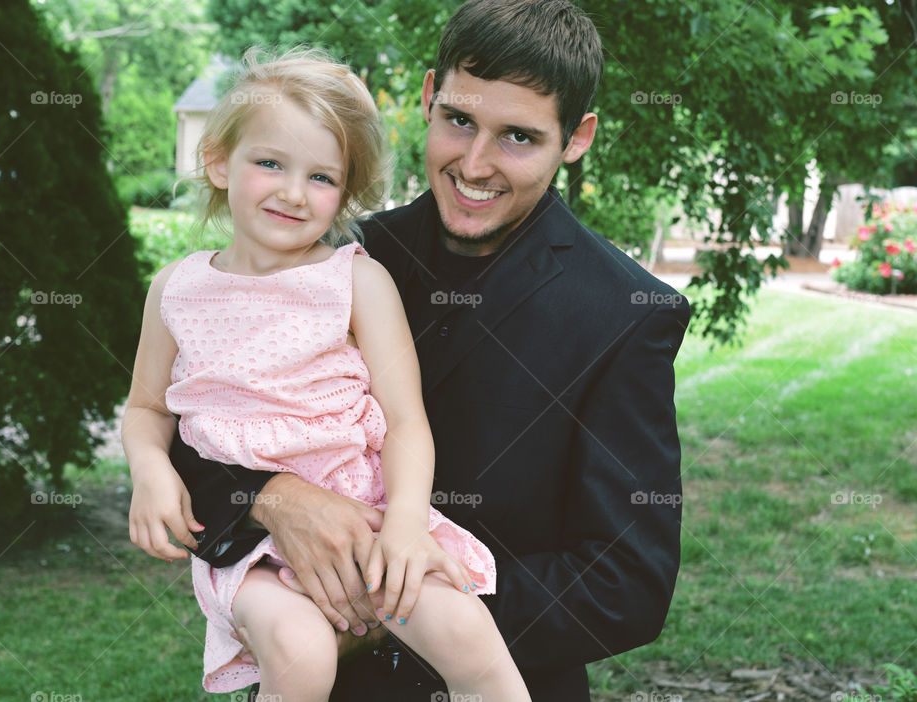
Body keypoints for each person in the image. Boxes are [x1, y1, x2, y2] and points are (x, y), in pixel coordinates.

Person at [169, 1, 691, 700]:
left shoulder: (624, 313)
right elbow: (193, 430)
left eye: (518, 137)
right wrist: (272, 498)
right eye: (459, 121)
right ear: (427, 97)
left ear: (577, 138)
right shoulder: (335, 256)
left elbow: (625, 585)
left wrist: (392, 608)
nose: (474, 164)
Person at [122, 47, 532, 701]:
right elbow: (147, 408)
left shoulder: (356, 282)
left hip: (367, 516)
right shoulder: (175, 288)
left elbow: (405, 422)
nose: (293, 192)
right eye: (269, 163)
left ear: (345, 192)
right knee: (302, 653)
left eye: (321, 177)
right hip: (252, 546)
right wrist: (149, 470)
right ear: (219, 161)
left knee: (466, 631)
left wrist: (404, 524)